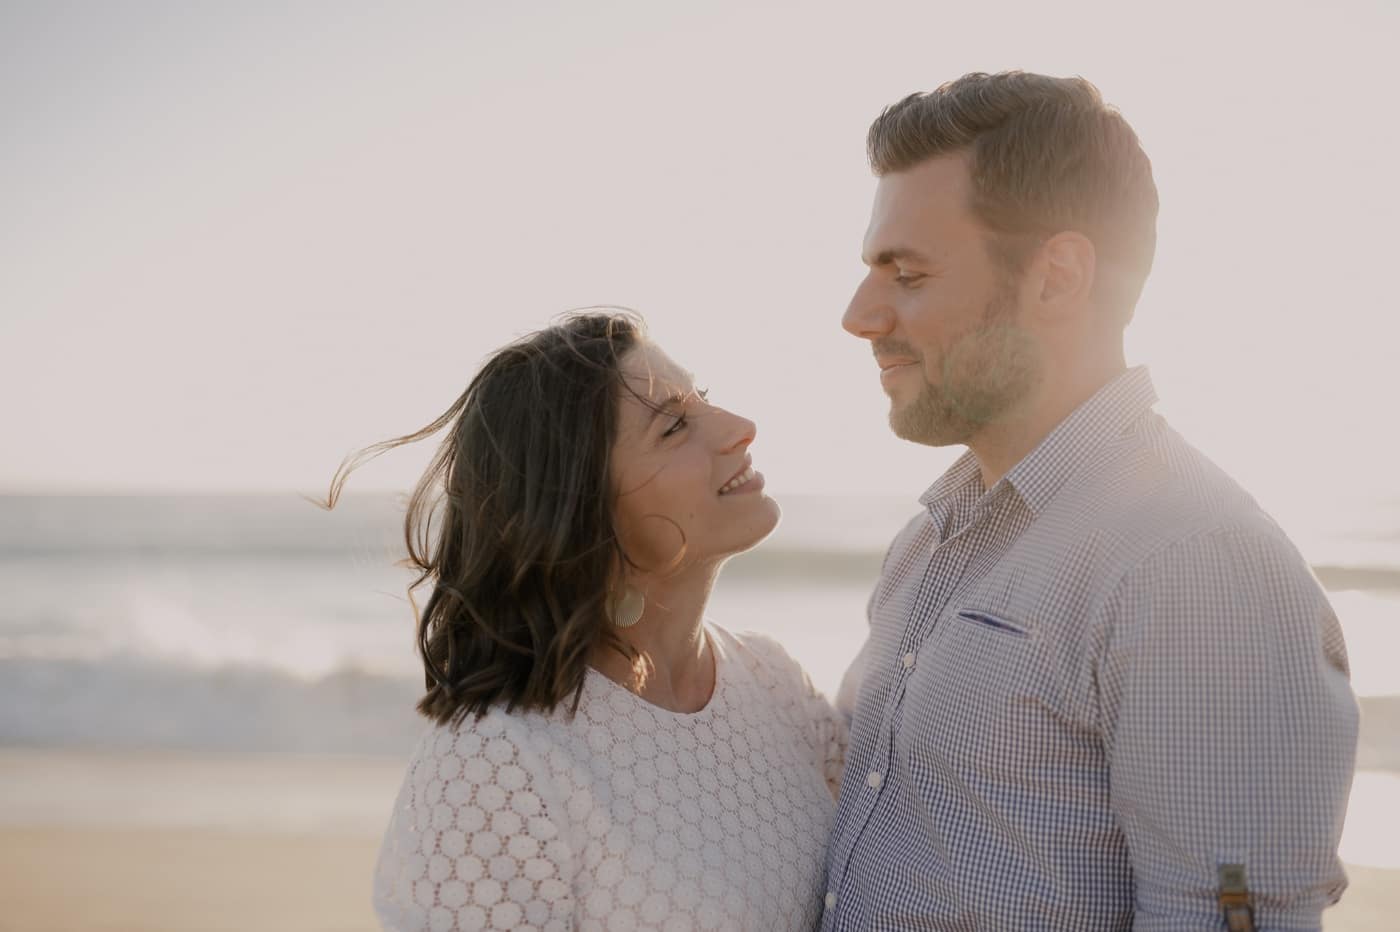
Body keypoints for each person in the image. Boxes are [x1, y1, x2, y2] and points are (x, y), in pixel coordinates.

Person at [825, 72, 1358, 931]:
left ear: (1058, 276)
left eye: (908, 274)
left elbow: (1233, 916)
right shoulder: (928, 544)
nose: (859, 314)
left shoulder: (1190, 563)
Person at [326, 311, 844, 931]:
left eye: (702, 399)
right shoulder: (496, 763)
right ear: (580, 508)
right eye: (675, 426)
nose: (740, 428)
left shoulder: (775, 682)